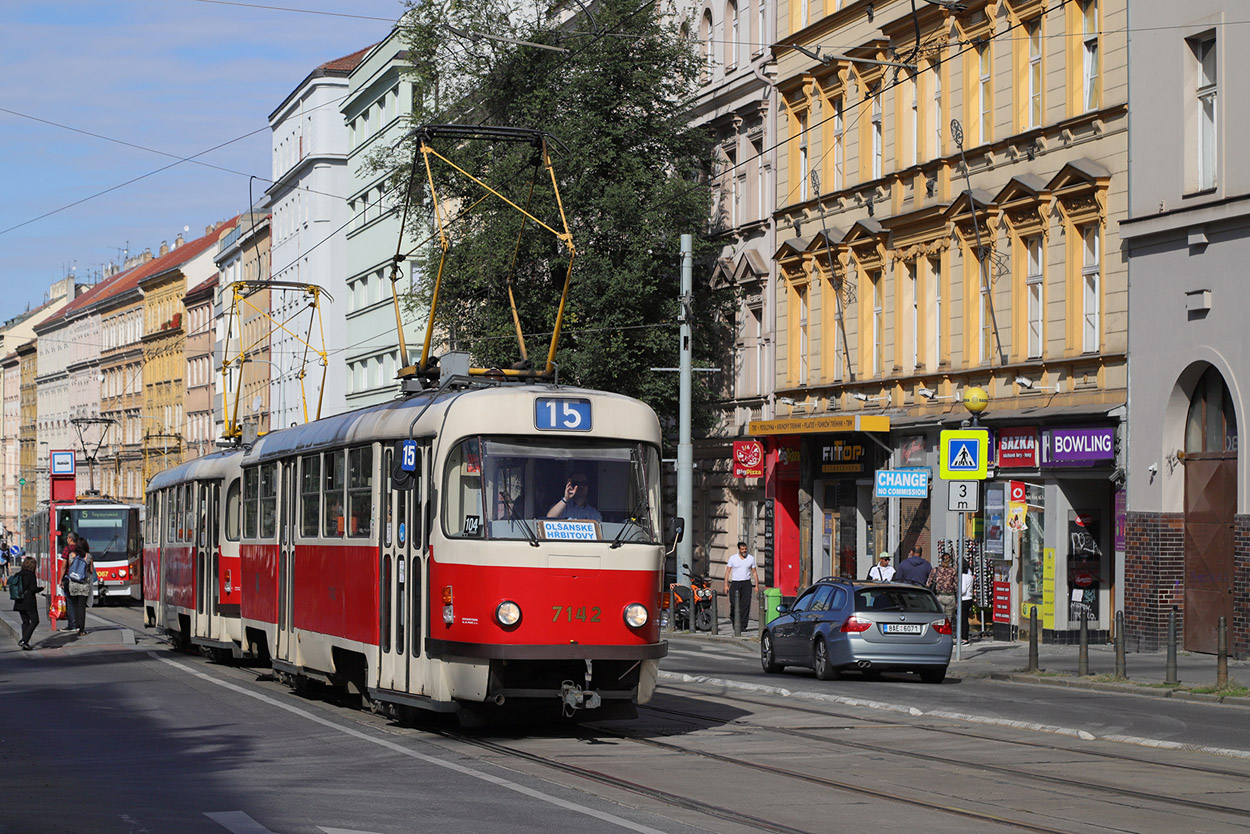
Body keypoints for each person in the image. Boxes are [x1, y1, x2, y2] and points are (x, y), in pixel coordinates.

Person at [723, 541, 759, 636]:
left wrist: (756, 586)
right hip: (735, 583)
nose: (744, 551)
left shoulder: (751, 559)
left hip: (746, 583)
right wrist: (726, 585)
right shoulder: (733, 558)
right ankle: (734, 620)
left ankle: (743, 626)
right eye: (742, 549)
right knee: (735, 604)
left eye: (745, 549)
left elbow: (754, 572)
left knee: (745, 605)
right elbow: (727, 572)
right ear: (739, 549)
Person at [65, 537, 94, 637]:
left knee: (75, 605)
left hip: (73, 584)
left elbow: (71, 568)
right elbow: (91, 571)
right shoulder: (88, 556)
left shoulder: (71, 555)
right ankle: (82, 629)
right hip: (84, 584)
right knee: (82, 607)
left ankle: (76, 626)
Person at [12, 556, 42, 650]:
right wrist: (41, 589)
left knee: (25, 621)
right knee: (35, 621)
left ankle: (25, 642)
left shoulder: (18, 574)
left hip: (19, 601)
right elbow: (33, 589)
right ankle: (24, 640)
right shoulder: (30, 575)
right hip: (28, 601)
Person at [60, 532, 81, 631]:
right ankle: (79, 624)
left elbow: (64, 566)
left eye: (68, 538)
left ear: (70, 539)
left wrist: (60, 579)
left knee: (70, 602)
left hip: (70, 578)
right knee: (78, 602)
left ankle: (72, 624)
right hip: (81, 579)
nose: (67, 539)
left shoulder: (67, 549)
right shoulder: (82, 549)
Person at [928, 552, 958, 620]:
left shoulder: (935, 570)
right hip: (950, 596)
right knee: (949, 618)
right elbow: (956, 585)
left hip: (939, 595)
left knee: (940, 617)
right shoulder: (952, 571)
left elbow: (929, 583)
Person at [959, 562, 975, 645]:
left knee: (963, 619)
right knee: (964, 619)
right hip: (969, 598)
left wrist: (957, 593)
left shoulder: (963, 576)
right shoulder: (970, 576)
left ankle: (964, 638)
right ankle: (964, 637)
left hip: (963, 599)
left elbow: (962, 590)